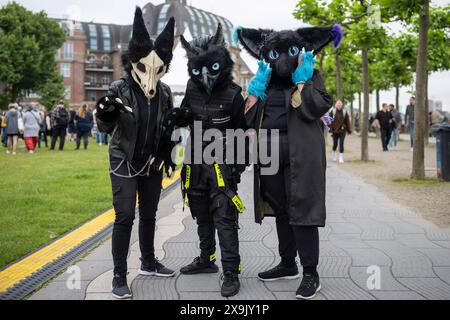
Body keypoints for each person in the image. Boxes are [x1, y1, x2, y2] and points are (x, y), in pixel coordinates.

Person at [235, 23, 342, 299]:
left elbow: (318, 105)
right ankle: (287, 263)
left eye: (290, 53)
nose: (281, 60)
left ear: (300, 53)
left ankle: (310, 272)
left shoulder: (310, 75)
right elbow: (246, 119)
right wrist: (255, 89)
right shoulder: (265, 81)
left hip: (301, 155)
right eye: (274, 54)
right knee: (280, 208)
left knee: (302, 209)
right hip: (269, 156)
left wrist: (302, 81)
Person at [95, 8, 176, 300]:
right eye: (143, 68)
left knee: (151, 214)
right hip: (124, 159)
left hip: (151, 161)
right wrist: (105, 112)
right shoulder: (119, 87)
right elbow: (105, 126)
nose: (150, 77)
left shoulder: (165, 93)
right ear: (133, 64)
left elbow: (166, 128)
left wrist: (167, 152)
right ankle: (119, 275)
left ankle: (149, 262)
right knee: (125, 215)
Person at [169, 24, 246, 297]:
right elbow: (186, 114)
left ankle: (231, 272)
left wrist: (237, 167)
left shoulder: (235, 94)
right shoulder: (191, 86)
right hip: (195, 160)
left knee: (224, 216)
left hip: (223, 165)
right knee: (200, 211)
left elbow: (243, 134)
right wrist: (177, 118)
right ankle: (206, 259)